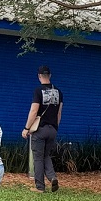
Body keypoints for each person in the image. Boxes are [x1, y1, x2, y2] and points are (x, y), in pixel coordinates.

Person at [21, 65, 63, 193]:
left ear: (39, 76)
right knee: (46, 155)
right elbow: (59, 114)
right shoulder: (58, 92)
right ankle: (52, 177)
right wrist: (55, 127)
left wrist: (26, 128)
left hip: (40, 129)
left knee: (38, 158)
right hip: (52, 129)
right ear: (49, 75)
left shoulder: (38, 91)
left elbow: (34, 111)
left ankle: (40, 187)